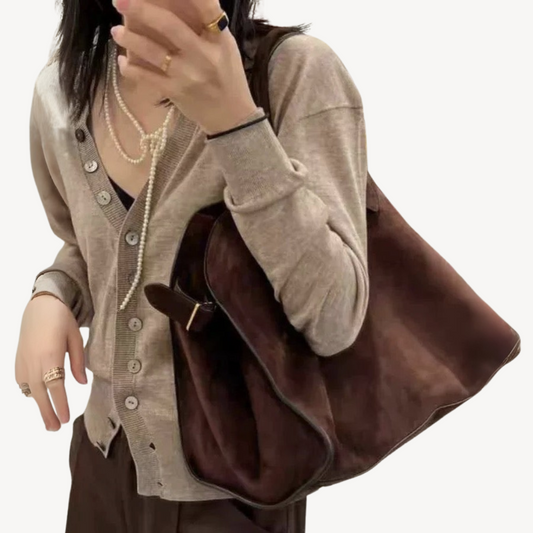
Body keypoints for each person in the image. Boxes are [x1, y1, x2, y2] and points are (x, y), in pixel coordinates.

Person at [15, 0, 370, 531]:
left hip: (237, 482)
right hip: (101, 462)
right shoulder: (63, 89)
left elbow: (336, 317)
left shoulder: (295, 72)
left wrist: (235, 124)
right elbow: (96, 250)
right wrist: (53, 292)